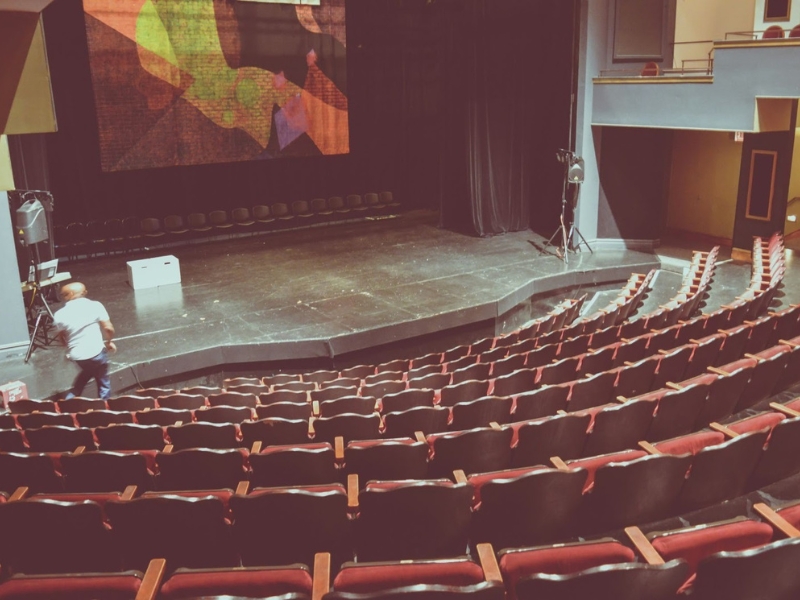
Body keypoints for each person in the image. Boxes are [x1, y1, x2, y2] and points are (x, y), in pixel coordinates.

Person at [53, 282, 116, 400]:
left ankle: (70, 399)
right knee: (103, 382)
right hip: (96, 353)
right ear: (83, 293)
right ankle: (104, 408)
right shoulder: (95, 305)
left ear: (70, 295)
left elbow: (61, 337)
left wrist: (68, 348)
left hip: (78, 357)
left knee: (87, 372)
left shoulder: (59, 314)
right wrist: (109, 341)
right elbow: (108, 328)